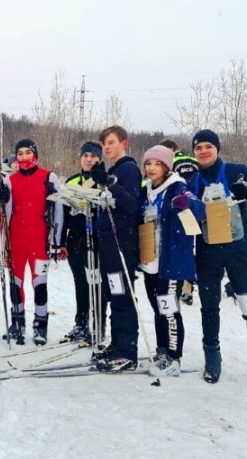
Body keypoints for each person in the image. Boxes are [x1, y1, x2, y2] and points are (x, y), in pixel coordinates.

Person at [187, 129, 247, 390]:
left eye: (209, 146)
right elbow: (188, 221)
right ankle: (212, 357)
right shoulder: (193, 180)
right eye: (198, 147)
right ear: (193, 151)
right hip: (208, 254)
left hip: (239, 252)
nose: (204, 151)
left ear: (217, 149)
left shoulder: (237, 171)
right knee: (209, 308)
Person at [138, 145, 204, 377]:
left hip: (171, 263)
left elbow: (200, 208)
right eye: (148, 163)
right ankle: (162, 350)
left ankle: (175, 357)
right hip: (150, 261)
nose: (152, 168)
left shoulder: (178, 187)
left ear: (167, 166)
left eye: (157, 164)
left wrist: (188, 204)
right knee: (158, 309)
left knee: (169, 311)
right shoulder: (146, 189)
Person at [88, 126, 143, 373]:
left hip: (122, 242)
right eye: (103, 144)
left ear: (124, 143)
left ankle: (128, 351)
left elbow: (132, 205)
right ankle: (118, 343)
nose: (106, 148)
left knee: (122, 294)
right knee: (113, 293)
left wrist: (110, 184)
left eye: (111, 143)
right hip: (108, 240)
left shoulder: (129, 169)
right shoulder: (113, 170)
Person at [0, 139, 63, 346]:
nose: (24, 157)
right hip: (15, 240)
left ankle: (40, 326)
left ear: (35, 154)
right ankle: (17, 324)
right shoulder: (10, 180)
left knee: (40, 284)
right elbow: (4, 211)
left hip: (39, 240)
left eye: (28, 152)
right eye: (20, 153)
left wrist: (57, 241)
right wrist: (2, 196)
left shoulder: (49, 177)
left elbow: (58, 211)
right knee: (15, 284)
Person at [61, 141, 103, 343]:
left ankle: (99, 324)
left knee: (96, 284)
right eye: (85, 155)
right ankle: (81, 323)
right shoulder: (71, 181)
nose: (89, 159)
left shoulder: (104, 181)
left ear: (99, 159)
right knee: (80, 283)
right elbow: (63, 214)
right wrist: (60, 241)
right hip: (75, 241)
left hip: (96, 242)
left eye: (93, 156)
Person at [159, 139, 199, 305]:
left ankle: (181, 286)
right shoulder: (193, 161)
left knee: (181, 249)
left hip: (178, 209)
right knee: (189, 249)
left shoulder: (171, 164)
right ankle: (188, 288)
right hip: (193, 205)